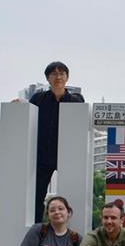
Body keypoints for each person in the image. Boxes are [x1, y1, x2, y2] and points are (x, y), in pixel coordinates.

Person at [30, 61, 85, 222]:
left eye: (61, 73)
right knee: (36, 197)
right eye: (54, 74)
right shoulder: (38, 99)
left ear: (67, 77)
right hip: (41, 156)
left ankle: (69, 232)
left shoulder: (76, 100)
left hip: (66, 156)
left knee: (71, 195)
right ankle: (37, 229)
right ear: (47, 78)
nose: (58, 77)